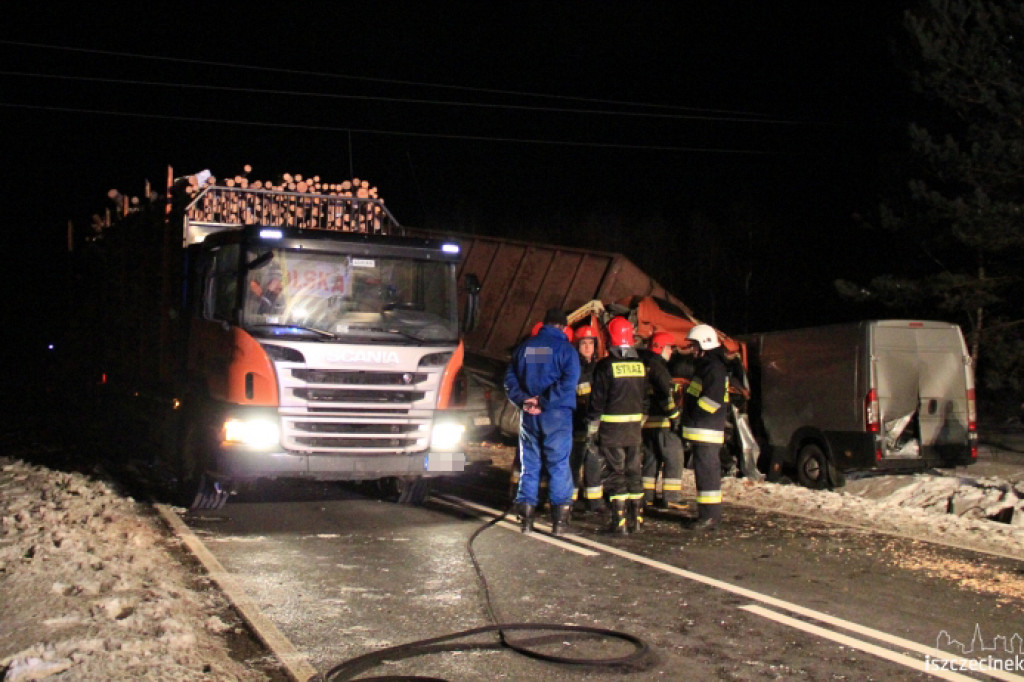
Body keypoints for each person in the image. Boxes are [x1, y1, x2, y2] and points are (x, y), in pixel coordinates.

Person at [504, 308, 581, 535]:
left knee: (530, 465)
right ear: (564, 327)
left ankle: (526, 519)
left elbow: (509, 379)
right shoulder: (566, 350)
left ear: (544, 324)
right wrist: (544, 401)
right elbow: (569, 382)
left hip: (529, 415)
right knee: (558, 465)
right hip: (556, 416)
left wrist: (524, 400)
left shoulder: (526, 348)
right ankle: (559, 523)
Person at [586, 317, 647, 534]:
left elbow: (597, 401)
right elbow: (645, 397)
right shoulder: (640, 365)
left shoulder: (605, 366)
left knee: (615, 474)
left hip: (612, 431)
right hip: (634, 430)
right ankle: (637, 521)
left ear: (610, 337)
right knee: (634, 472)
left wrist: (592, 426)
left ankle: (619, 523)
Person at [680, 323, 730, 532]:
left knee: (707, 473)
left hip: (706, 428)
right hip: (703, 429)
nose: (692, 350)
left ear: (704, 345)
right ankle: (707, 514)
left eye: (694, 346)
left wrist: (693, 416)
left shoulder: (713, 369)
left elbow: (711, 401)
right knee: (704, 472)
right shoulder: (707, 367)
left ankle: (710, 517)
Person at [640, 332, 685, 515]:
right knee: (674, 456)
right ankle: (671, 497)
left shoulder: (645, 364)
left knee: (651, 459)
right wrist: (675, 416)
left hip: (648, 421)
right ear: (660, 347)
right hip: (662, 422)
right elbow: (665, 395)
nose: (671, 352)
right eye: (669, 348)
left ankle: (647, 496)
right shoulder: (659, 367)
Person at [570, 324, 605, 514]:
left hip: (594, 420)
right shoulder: (574, 365)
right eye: (583, 343)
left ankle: (594, 500)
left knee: (593, 459)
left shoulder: (599, 366)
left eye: (590, 343)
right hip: (577, 420)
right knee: (575, 460)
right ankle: (571, 499)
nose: (587, 347)